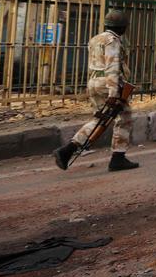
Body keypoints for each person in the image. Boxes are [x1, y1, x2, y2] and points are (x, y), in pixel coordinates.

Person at [53, 10, 138, 172]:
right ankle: (118, 157)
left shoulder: (95, 39)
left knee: (100, 118)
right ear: (122, 28)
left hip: (94, 82)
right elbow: (112, 66)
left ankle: (67, 150)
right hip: (108, 83)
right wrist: (114, 92)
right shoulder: (113, 41)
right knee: (124, 117)